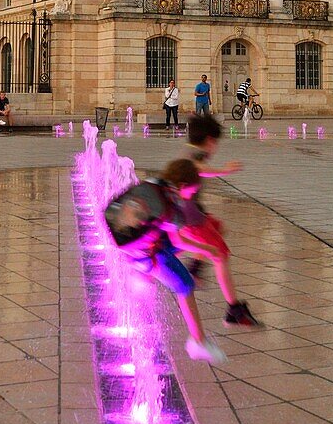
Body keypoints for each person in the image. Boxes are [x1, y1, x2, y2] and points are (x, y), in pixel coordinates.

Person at [105, 175, 226, 364]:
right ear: (183, 187)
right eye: (191, 192)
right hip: (146, 257)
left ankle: (143, 278)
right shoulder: (171, 212)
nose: (191, 196)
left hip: (134, 249)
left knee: (175, 243)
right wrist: (208, 249)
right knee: (185, 286)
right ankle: (198, 342)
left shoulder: (152, 184)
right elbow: (180, 241)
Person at [177, 114, 262, 327]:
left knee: (217, 228)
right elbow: (197, 169)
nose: (216, 147)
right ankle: (234, 309)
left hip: (194, 214)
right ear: (210, 140)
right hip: (191, 219)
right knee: (220, 255)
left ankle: (195, 268)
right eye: (215, 142)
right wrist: (224, 170)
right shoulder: (195, 157)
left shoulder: (192, 151)